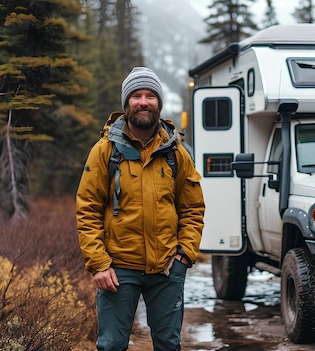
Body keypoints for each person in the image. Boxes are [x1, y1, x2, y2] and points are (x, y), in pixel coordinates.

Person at [76, 67, 205, 351]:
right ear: (126, 104)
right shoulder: (105, 150)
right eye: (136, 95)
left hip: (167, 268)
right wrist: (99, 263)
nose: (143, 101)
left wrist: (184, 255)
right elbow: (88, 210)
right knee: (111, 345)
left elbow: (193, 208)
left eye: (150, 95)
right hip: (118, 270)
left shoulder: (176, 152)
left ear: (159, 103)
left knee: (169, 345)